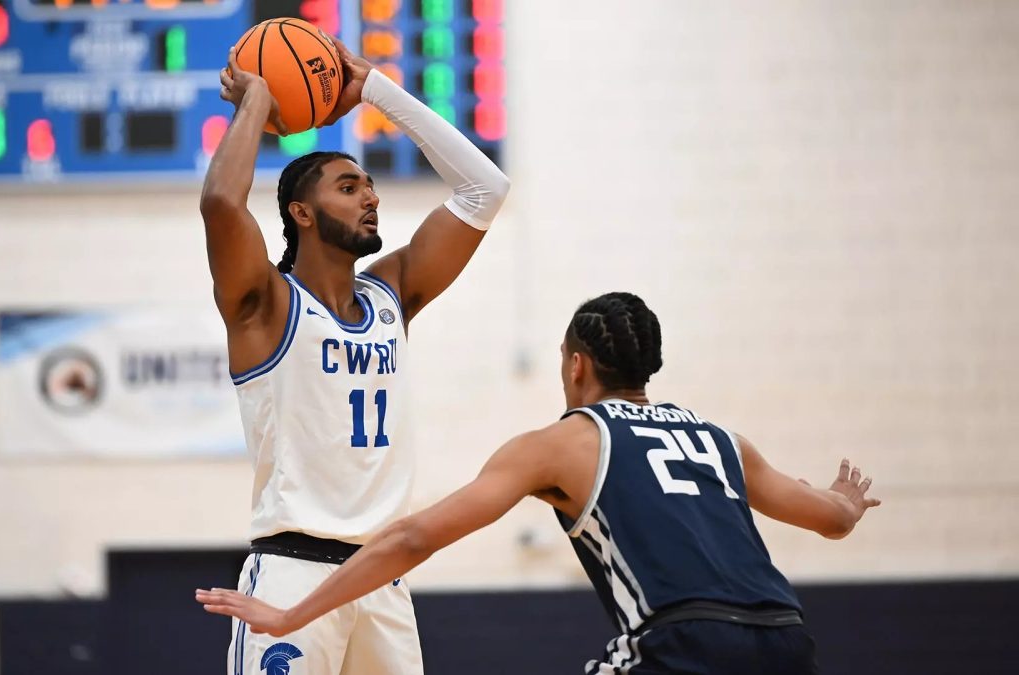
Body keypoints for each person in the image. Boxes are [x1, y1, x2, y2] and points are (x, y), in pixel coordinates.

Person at [197, 292, 883, 674]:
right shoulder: (721, 440)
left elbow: (411, 535)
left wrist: (292, 613)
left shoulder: (562, 443)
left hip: (683, 643)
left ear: (577, 365)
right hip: (787, 641)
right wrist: (845, 500)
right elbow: (829, 516)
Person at [200, 30, 509, 675]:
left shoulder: (391, 297)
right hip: (291, 570)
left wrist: (372, 86)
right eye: (347, 187)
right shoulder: (265, 306)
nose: (370, 196)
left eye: (370, 185)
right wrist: (257, 100)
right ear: (301, 214)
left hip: (382, 578)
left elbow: (484, 188)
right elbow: (220, 204)